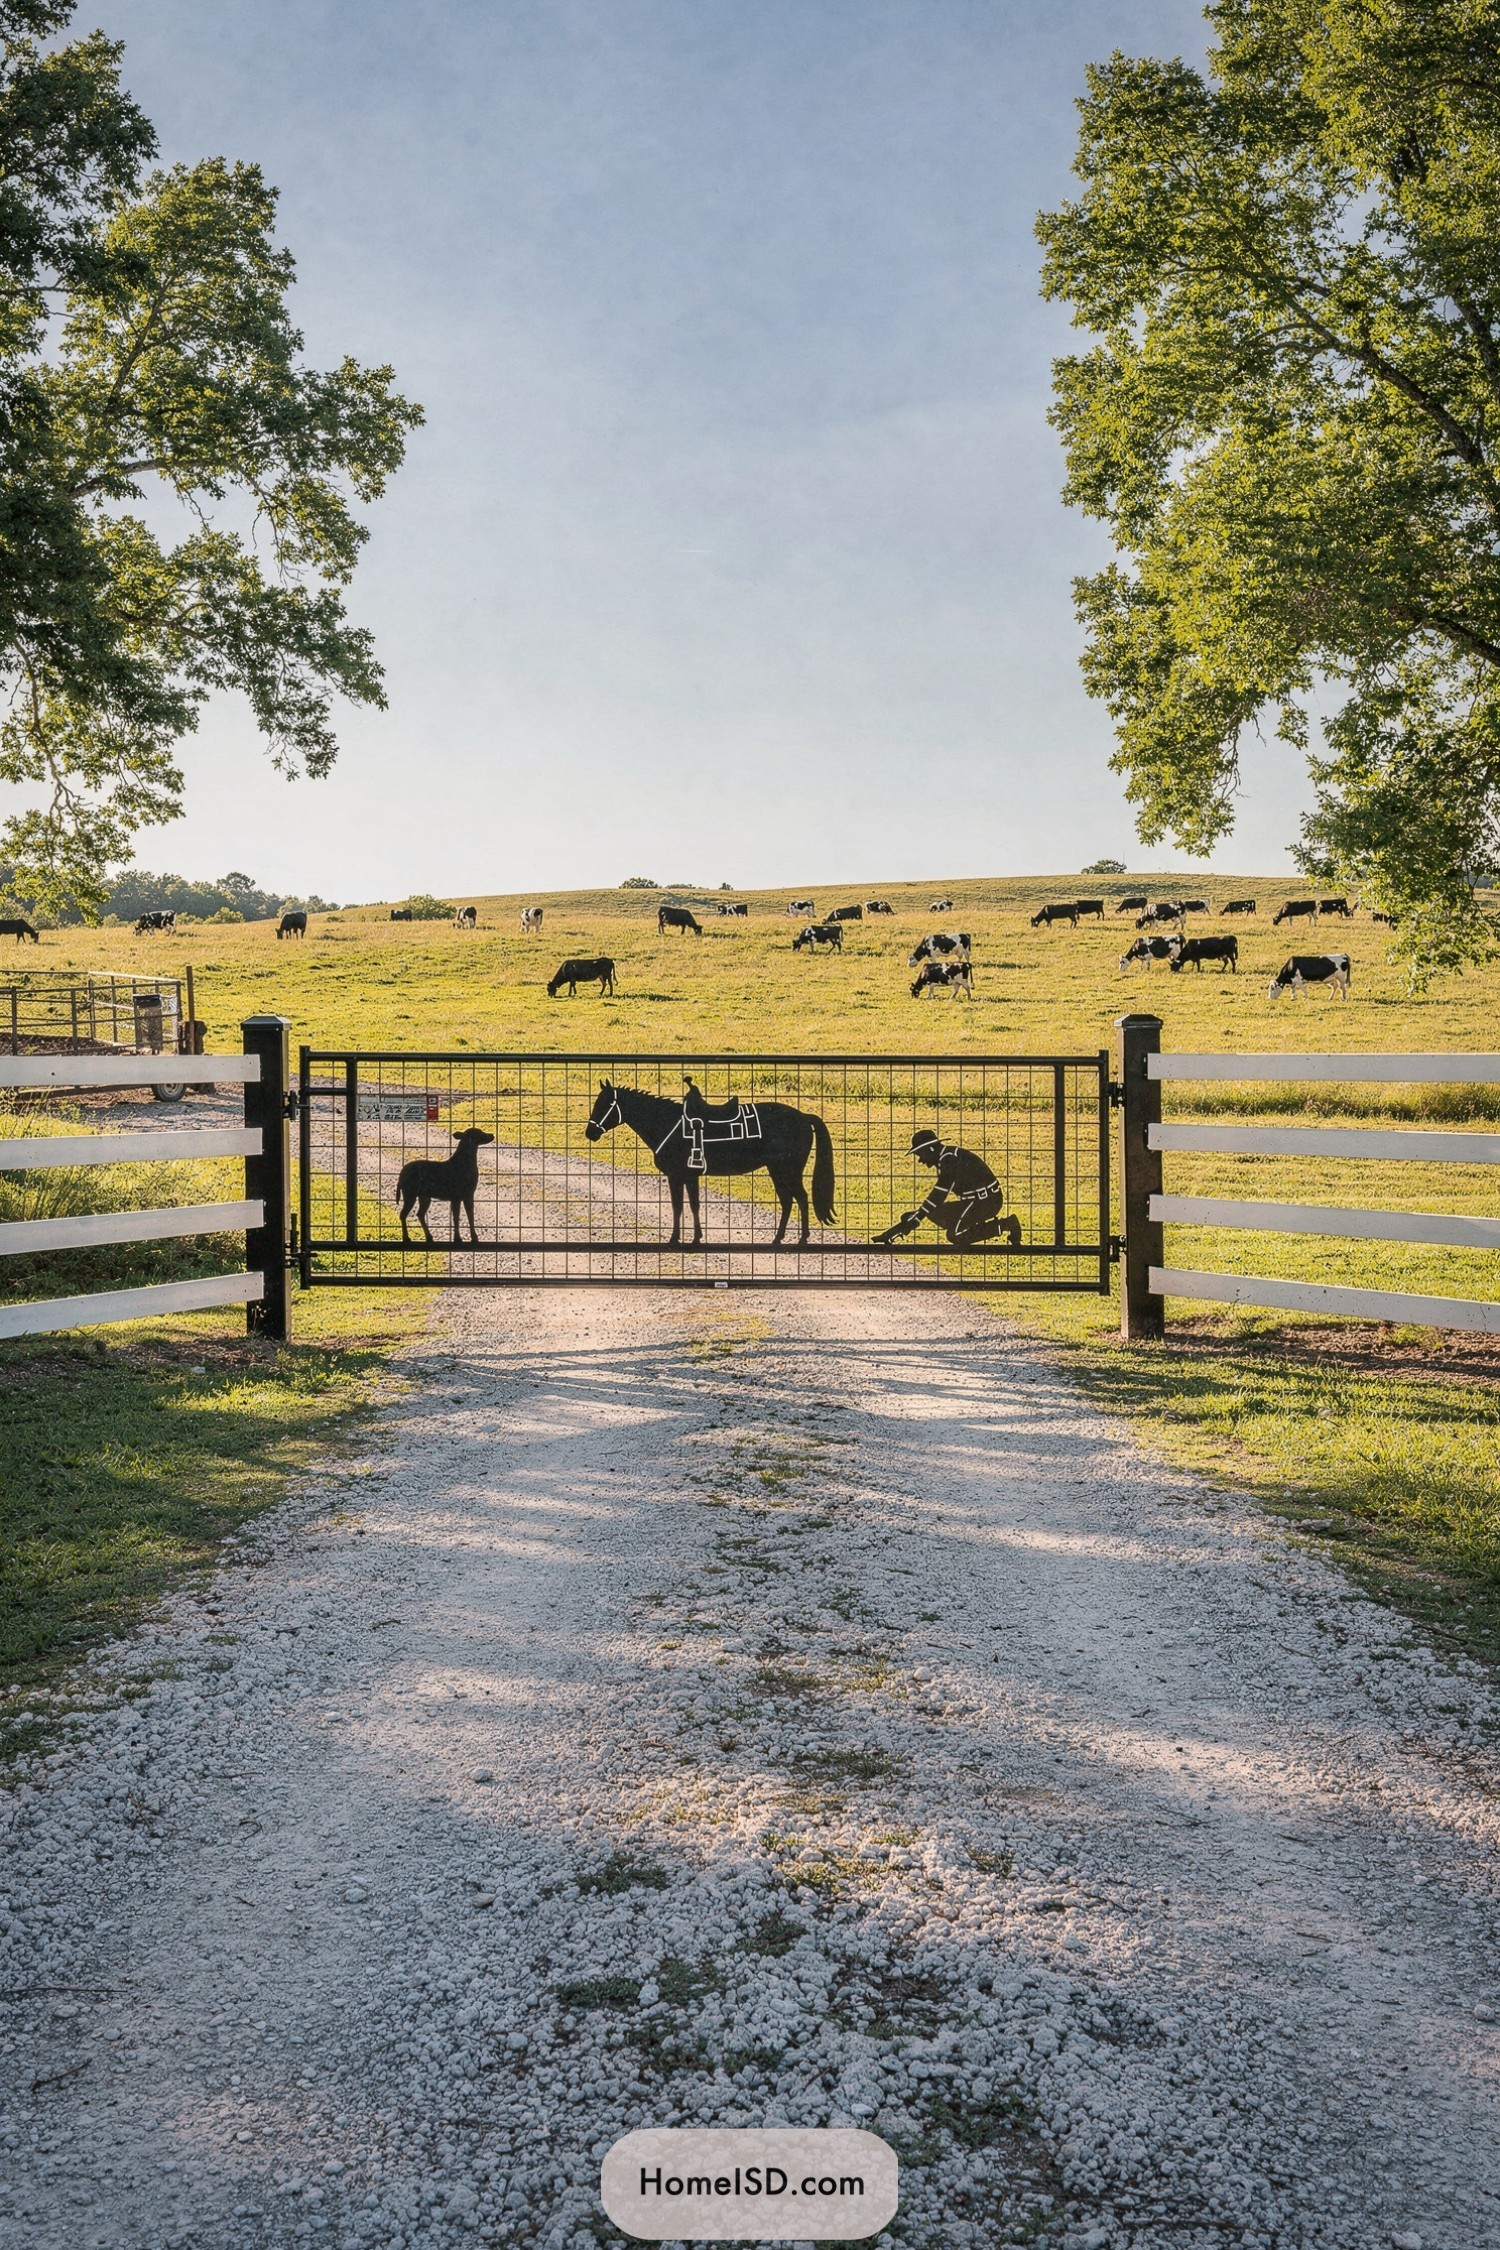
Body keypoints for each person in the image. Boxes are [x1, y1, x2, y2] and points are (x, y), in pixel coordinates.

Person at [873, 1129, 1021, 1248]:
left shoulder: (949, 1159)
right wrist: (916, 1217)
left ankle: (1005, 1224)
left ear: (931, 1148)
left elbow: (939, 1194)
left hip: (986, 1202)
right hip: (977, 1200)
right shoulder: (948, 1156)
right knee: (932, 1213)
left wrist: (919, 1216)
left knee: (955, 1235)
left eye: (920, 1154)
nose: (920, 1160)